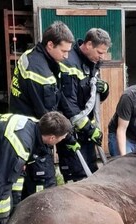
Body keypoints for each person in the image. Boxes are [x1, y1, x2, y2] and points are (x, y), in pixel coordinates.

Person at [9, 21, 74, 199]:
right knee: (43, 181)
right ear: (50, 44)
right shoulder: (40, 73)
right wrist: (68, 136)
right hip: (33, 132)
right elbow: (49, 116)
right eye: (64, 51)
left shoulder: (33, 55)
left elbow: (59, 95)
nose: (67, 56)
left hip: (24, 124)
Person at [58, 28, 111, 182]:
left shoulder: (93, 62)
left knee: (92, 172)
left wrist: (105, 88)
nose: (102, 56)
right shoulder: (69, 63)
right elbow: (69, 105)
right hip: (71, 132)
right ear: (88, 45)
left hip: (86, 132)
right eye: (100, 52)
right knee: (78, 176)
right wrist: (89, 129)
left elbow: (93, 97)